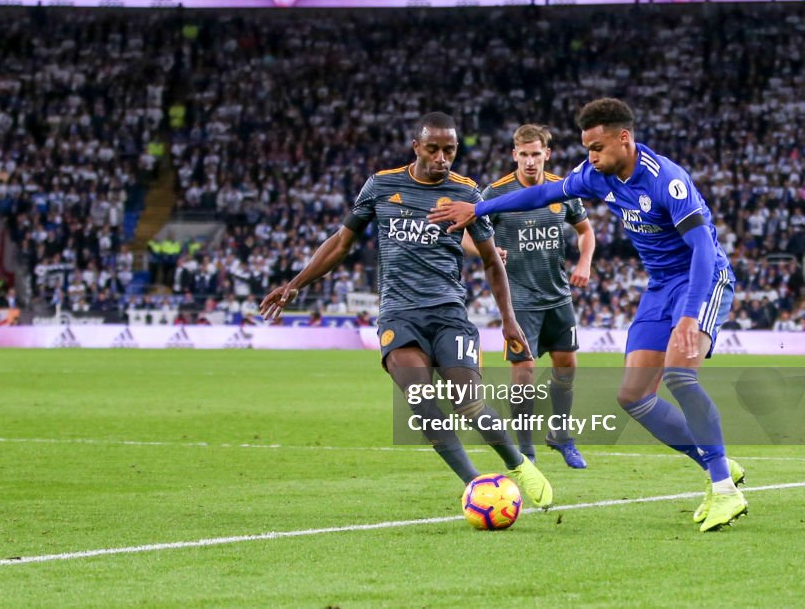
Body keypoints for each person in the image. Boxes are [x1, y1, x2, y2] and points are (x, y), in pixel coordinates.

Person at [428, 98, 745, 532]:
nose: (590, 157)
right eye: (586, 148)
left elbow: (705, 249)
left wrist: (690, 316)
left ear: (624, 138)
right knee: (634, 396)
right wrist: (477, 209)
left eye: (597, 147)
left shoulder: (666, 180)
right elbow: (541, 193)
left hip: (701, 280)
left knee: (678, 375)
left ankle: (725, 489)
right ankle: (718, 462)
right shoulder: (596, 176)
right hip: (659, 288)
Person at [261, 112, 554, 509]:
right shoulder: (381, 186)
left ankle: (517, 463)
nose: (441, 157)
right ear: (416, 147)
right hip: (399, 314)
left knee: (468, 403)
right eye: (433, 148)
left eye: (449, 149)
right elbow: (341, 243)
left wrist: (508, 320)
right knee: (421, 400)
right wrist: (294, 284)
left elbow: (490, 260)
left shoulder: (466, 193)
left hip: (449, 313)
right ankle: (478, 486)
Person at [463, 124, 596, 468]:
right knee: (523, 371)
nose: (530, 161)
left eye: (536, 154)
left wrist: (584, 260)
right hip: (519, 300)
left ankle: (561, 435)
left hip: (558, 297)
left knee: (567, 365)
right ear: (514, 155)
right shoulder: (495, 193)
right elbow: (465, 234)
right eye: (524, 154)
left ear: (546, 154)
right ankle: (526, 450)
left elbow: (586, 231)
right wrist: (488, 252)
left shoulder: (562, 189)